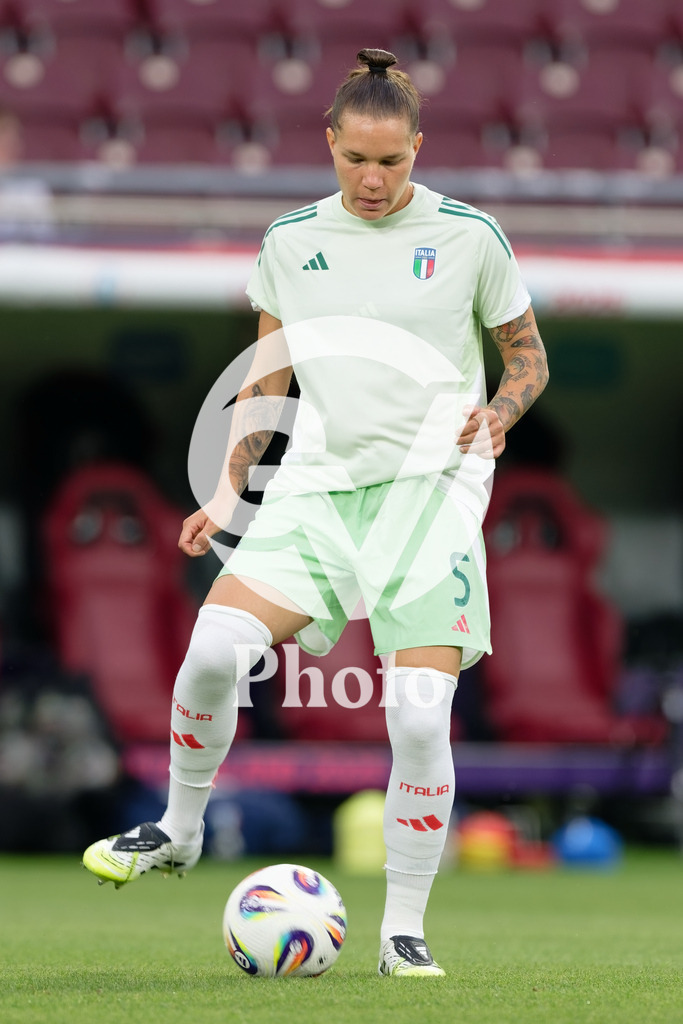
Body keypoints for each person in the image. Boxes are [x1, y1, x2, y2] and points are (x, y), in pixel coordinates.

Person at [83, 48, 549, 978]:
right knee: (214, 650)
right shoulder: (291, 240)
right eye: (356, 160)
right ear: (327, 143)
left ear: (417, 148)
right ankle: (178, 830)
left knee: (419, 717)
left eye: (393, 162)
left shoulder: (470, 237)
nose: (373, 181)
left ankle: (401, 932)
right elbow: (268, 375)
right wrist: (225, 491)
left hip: (430, 493)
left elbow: (526, 359)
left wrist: (497, 413)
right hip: (316, 490)